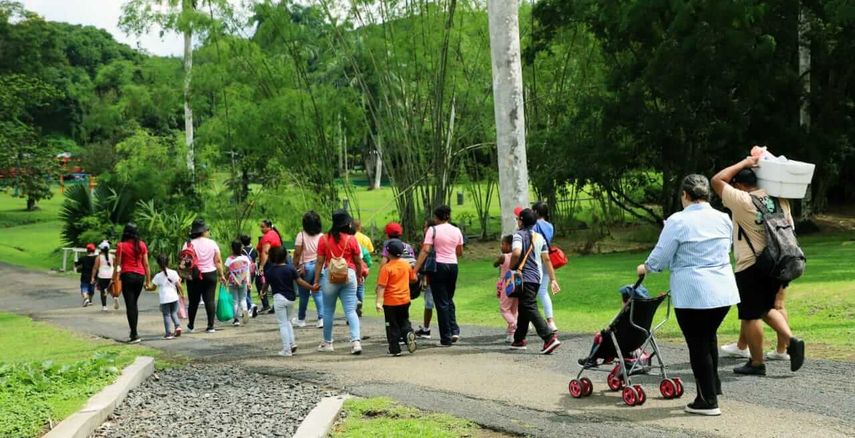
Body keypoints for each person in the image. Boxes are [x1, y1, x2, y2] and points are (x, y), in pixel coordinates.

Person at [636, 174, 741, 416]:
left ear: (685, 195)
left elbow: (661, 256)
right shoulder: (723, 218)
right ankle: (712, 387)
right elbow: (726, 248)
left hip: (693, 291)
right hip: (723, 290)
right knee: (708, 337)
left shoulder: (678, 221)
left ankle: (707, 401)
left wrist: (647, 267)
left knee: (698, 344)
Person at [712, 158, 806, 375]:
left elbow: (717, 180)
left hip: (751, 265)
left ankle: (758, 362)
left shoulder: (743, 200)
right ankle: (788, 343)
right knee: (768, 308)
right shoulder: (781, 199)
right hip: (781, 262)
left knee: (751, 314)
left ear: (739, 185)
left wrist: (746, 161)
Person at [508, 208, 562, 354]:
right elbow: (547, 259)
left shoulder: (518, 235)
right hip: (536, 278)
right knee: (524, 306)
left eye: (518, 219)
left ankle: (549, 337)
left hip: (523, 277)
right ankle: (519, 339)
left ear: (522, 221)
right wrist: (553, 279)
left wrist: (511, 266)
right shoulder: (540, 237)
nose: (517, 222)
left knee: (529, 306)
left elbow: (516, 253)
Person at [313, 210, 364, 354]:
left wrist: (316, 281)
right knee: (350, 310)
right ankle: (356, 342)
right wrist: (359, 276)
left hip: (330, 277)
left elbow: (319, 262)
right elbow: (358, 262)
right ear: (347, 223)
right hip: (349, 275)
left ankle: (328, 343)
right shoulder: (351, 239)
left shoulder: (323, 239)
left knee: (328, 311)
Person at [414, 205, 464, 346]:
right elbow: (460, 252)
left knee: (441, 303)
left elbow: (425, 250)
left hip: (438, 267)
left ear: (436, 217)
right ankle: (454, 330)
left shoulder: (433, 229)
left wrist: (415, 270)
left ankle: (446, 338)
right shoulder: (456, 230)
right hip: (453, 266)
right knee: (448, 299)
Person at [263, 246, 313, 357]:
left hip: (279, 299)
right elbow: (299, 282)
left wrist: (262, 292)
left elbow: (266, 285)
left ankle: (286, 350)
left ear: (271, 257)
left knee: (282, 324)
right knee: (288, 321)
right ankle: (292, 343)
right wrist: (311, 287)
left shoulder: (270, 271)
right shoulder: (290, 268)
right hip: (291, 299)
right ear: (286, 256)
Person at [376, 239, 418, 356]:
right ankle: (408, 333)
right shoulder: (406, 265)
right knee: (404, 320)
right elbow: (414, 278)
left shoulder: (387, 268)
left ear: (388, 253)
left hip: (390, 302)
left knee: (392, 324)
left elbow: (381, 287)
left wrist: (379, 302)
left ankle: (394, 348)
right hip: (405, 299)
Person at [183, 219, 226, 334]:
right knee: (209, 300)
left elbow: (185, 261)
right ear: (203, 231)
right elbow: (217, 261)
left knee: (193, 301)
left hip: (194, 275)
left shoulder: (188, 244)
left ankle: (191, 325)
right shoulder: (212, 243)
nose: (208, 231)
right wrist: (221, 274)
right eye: (207, 230)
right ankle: (210, 326)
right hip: (210, 274)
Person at [114, 223, 151, 343]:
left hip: (127, 275)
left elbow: (118, 265)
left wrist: (114, 279)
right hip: (140, 276)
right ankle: (133, 332)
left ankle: (134, 334)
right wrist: (148, 280)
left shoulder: (121, 246)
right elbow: (146, 264)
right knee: (134, 304)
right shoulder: (142, 245)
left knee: (130, 305)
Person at [292, 211, 325, 328]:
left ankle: (301, 319)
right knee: (318, 292)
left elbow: (297, 254)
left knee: (304, 294)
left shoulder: (301, 235)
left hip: (305, 267)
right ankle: (321, 318)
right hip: (319, 267)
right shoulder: (322, 236)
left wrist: (295, 266)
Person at [532, 202, 558, 332]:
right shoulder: (550, 226)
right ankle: (550, 321)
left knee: (529, 293)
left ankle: (529, 321)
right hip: (547, 261)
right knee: (543, 291)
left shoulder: (534, 225)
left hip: (535, 261)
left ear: (536, 212)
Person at [412, 220, 436, 339]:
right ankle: (426, 329)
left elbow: (426, 260)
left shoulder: (429, 243)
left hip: (432, 277)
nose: (424, 229)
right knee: (430, 303)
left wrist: (421, 275)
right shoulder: (427, 242)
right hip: (433, 276)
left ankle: (427, 329)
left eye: (425, 227)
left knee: (430, 303)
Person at [152, 253, 184, 340]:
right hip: (174, 297)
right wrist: (182, 294)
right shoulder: (173, 272)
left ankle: (168, 333)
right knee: (173, 313)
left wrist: (147, 288)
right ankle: (178, 326)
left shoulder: (157, 276)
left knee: (166, 315)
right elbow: (179, 285)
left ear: (158, 263)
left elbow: (153, 288)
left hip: (164, 299)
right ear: (168, 262)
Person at [493, 235, 518, 343]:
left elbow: (495, 264)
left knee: (504, 308)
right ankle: (511, 334)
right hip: (518, 282)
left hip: (507, 283)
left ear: (509, 246)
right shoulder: (519, 256)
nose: (501, 246)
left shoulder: (504, 256)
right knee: (514, 309)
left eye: (503, 244)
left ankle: (515, 325)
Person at [257, 219, 283, 313]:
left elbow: (265, 252)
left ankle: (266, 304)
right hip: (276, 261)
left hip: (269, 262)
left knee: (261, 281)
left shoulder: (267, 237)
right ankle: (275, 306)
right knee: (274, 283)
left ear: (268, 227)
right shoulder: (275, 234)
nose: (261, 229)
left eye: (263, 227)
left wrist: (261, 266)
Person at [225, 239, 252, 326]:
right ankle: (245, 310)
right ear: (241, 248)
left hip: (233, 282)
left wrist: (225, 280)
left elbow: (227, 272)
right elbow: (247, 271)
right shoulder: (245, 258)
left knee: (234, 301)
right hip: (243, 281)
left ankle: (236, 319)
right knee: (243, 299)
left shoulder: (229, 259)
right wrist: (248, 282)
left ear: (232, 249)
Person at [353, 219, 374, 316]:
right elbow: (369, 253)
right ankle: (360, 304)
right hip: (363, 266)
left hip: (351, 265)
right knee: (361, 286)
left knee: (351, 288)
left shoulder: (349, 237)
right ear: (359, 227)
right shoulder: (365, 238)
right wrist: (367, 265)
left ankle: (355, 302)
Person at [91, 241, 118, 311]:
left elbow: (95, 268)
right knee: (111, 289)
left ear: (101, 249)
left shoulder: (98, 257)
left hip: (102, 276)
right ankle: (115, 297)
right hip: (111, 275)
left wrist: (93, 277)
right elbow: (115, 266)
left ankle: (104, 306)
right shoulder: (113, 256)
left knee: (103, 291)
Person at [239, 234, 259, 318]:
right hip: (252, 271)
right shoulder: (254, 250)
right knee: (248, 289)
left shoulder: (241, 251)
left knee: (244, 291)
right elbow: (256, 259)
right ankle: (247, 309)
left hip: (244, 271)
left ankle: (251, 305)